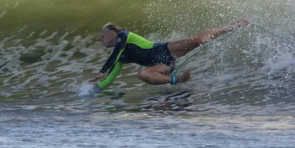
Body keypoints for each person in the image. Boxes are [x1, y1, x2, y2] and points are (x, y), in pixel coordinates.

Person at [91, 19, 248, 89]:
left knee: (199, 40)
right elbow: (109, 79)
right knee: (142, 73)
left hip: (165, 49)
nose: (101, 40)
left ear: (112, 33)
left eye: (102, 36)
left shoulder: (124, 35)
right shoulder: (120, 58)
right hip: (161, 65)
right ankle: (177, 79)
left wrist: (101, 71)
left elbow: (115, 54)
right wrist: (92, 90)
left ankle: (233, 25)